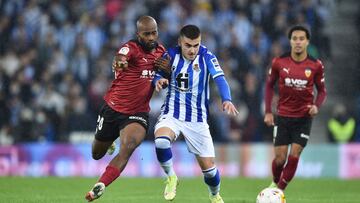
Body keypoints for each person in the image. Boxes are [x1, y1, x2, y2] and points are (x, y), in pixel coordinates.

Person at [85, 16, 169, 202]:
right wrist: (120, 63)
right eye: (146, 34)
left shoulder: (162, 52)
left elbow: (164, 75)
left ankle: (101, 184)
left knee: (129, 146)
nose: (151, 37)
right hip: (113, 108)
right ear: (138, 34)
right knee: (96, 154)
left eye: (154, 32)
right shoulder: (130, 48)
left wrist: (167, 74)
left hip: (137, 113)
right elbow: (120, 59)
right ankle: (110, 140)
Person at [153, 24, 238, 203]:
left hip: (197, 119)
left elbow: (220, 79)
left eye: (195, 45)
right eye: (188, 45)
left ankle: (215, 195)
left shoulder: (207, 56)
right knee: (161, 141)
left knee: (209, 170)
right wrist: (158, 80)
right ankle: (171, 177)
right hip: (172, 113)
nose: (192, 50)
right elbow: (157, 75)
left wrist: (226, 99)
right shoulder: (170, 55)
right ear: (180, 42)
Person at [264, 25, 327, 191]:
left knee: (295, 153)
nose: (298, 42)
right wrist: (268, 111)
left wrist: (316, 106)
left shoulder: (316, 65)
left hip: (304, 117)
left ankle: (279, 190)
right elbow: (269, 86)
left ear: (307, 42)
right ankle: (275, 180)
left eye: (301, 39)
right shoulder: (279, 62)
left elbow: (322, 92)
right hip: (283, 116)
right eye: (295, 39)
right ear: (290, 41)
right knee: (279, 159)